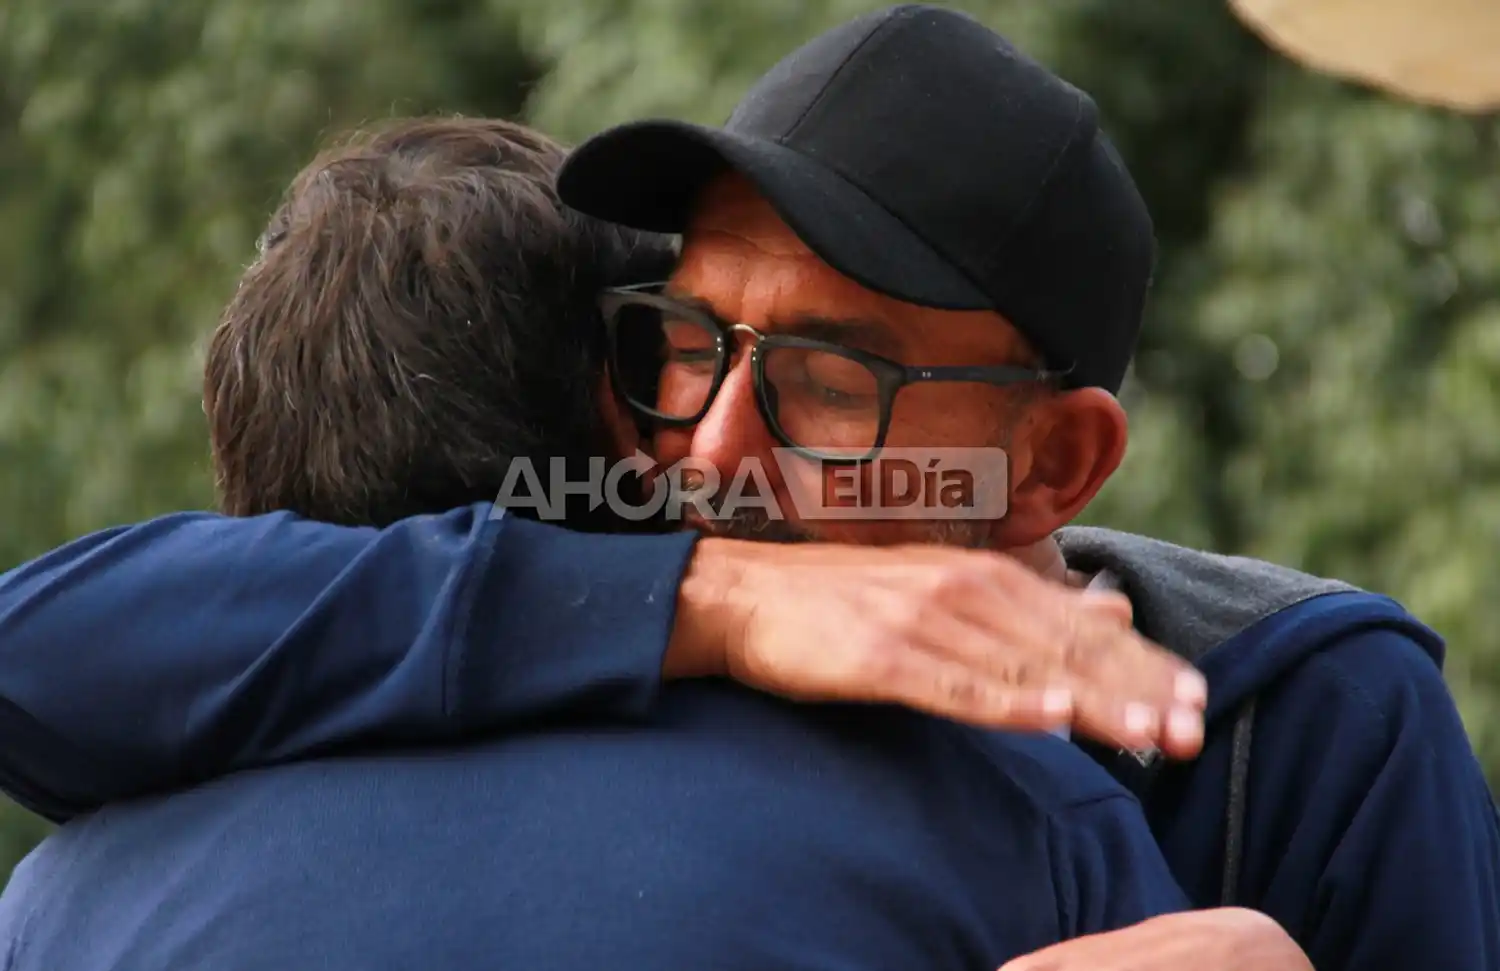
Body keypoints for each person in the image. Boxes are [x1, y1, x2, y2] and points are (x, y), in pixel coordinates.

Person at [0, 6, 1492, 971]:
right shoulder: (645, 621)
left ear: (1057, 461)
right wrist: (714, 602)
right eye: (687, 345)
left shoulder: (1304, 720)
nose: (708, 451)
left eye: (832, 384)